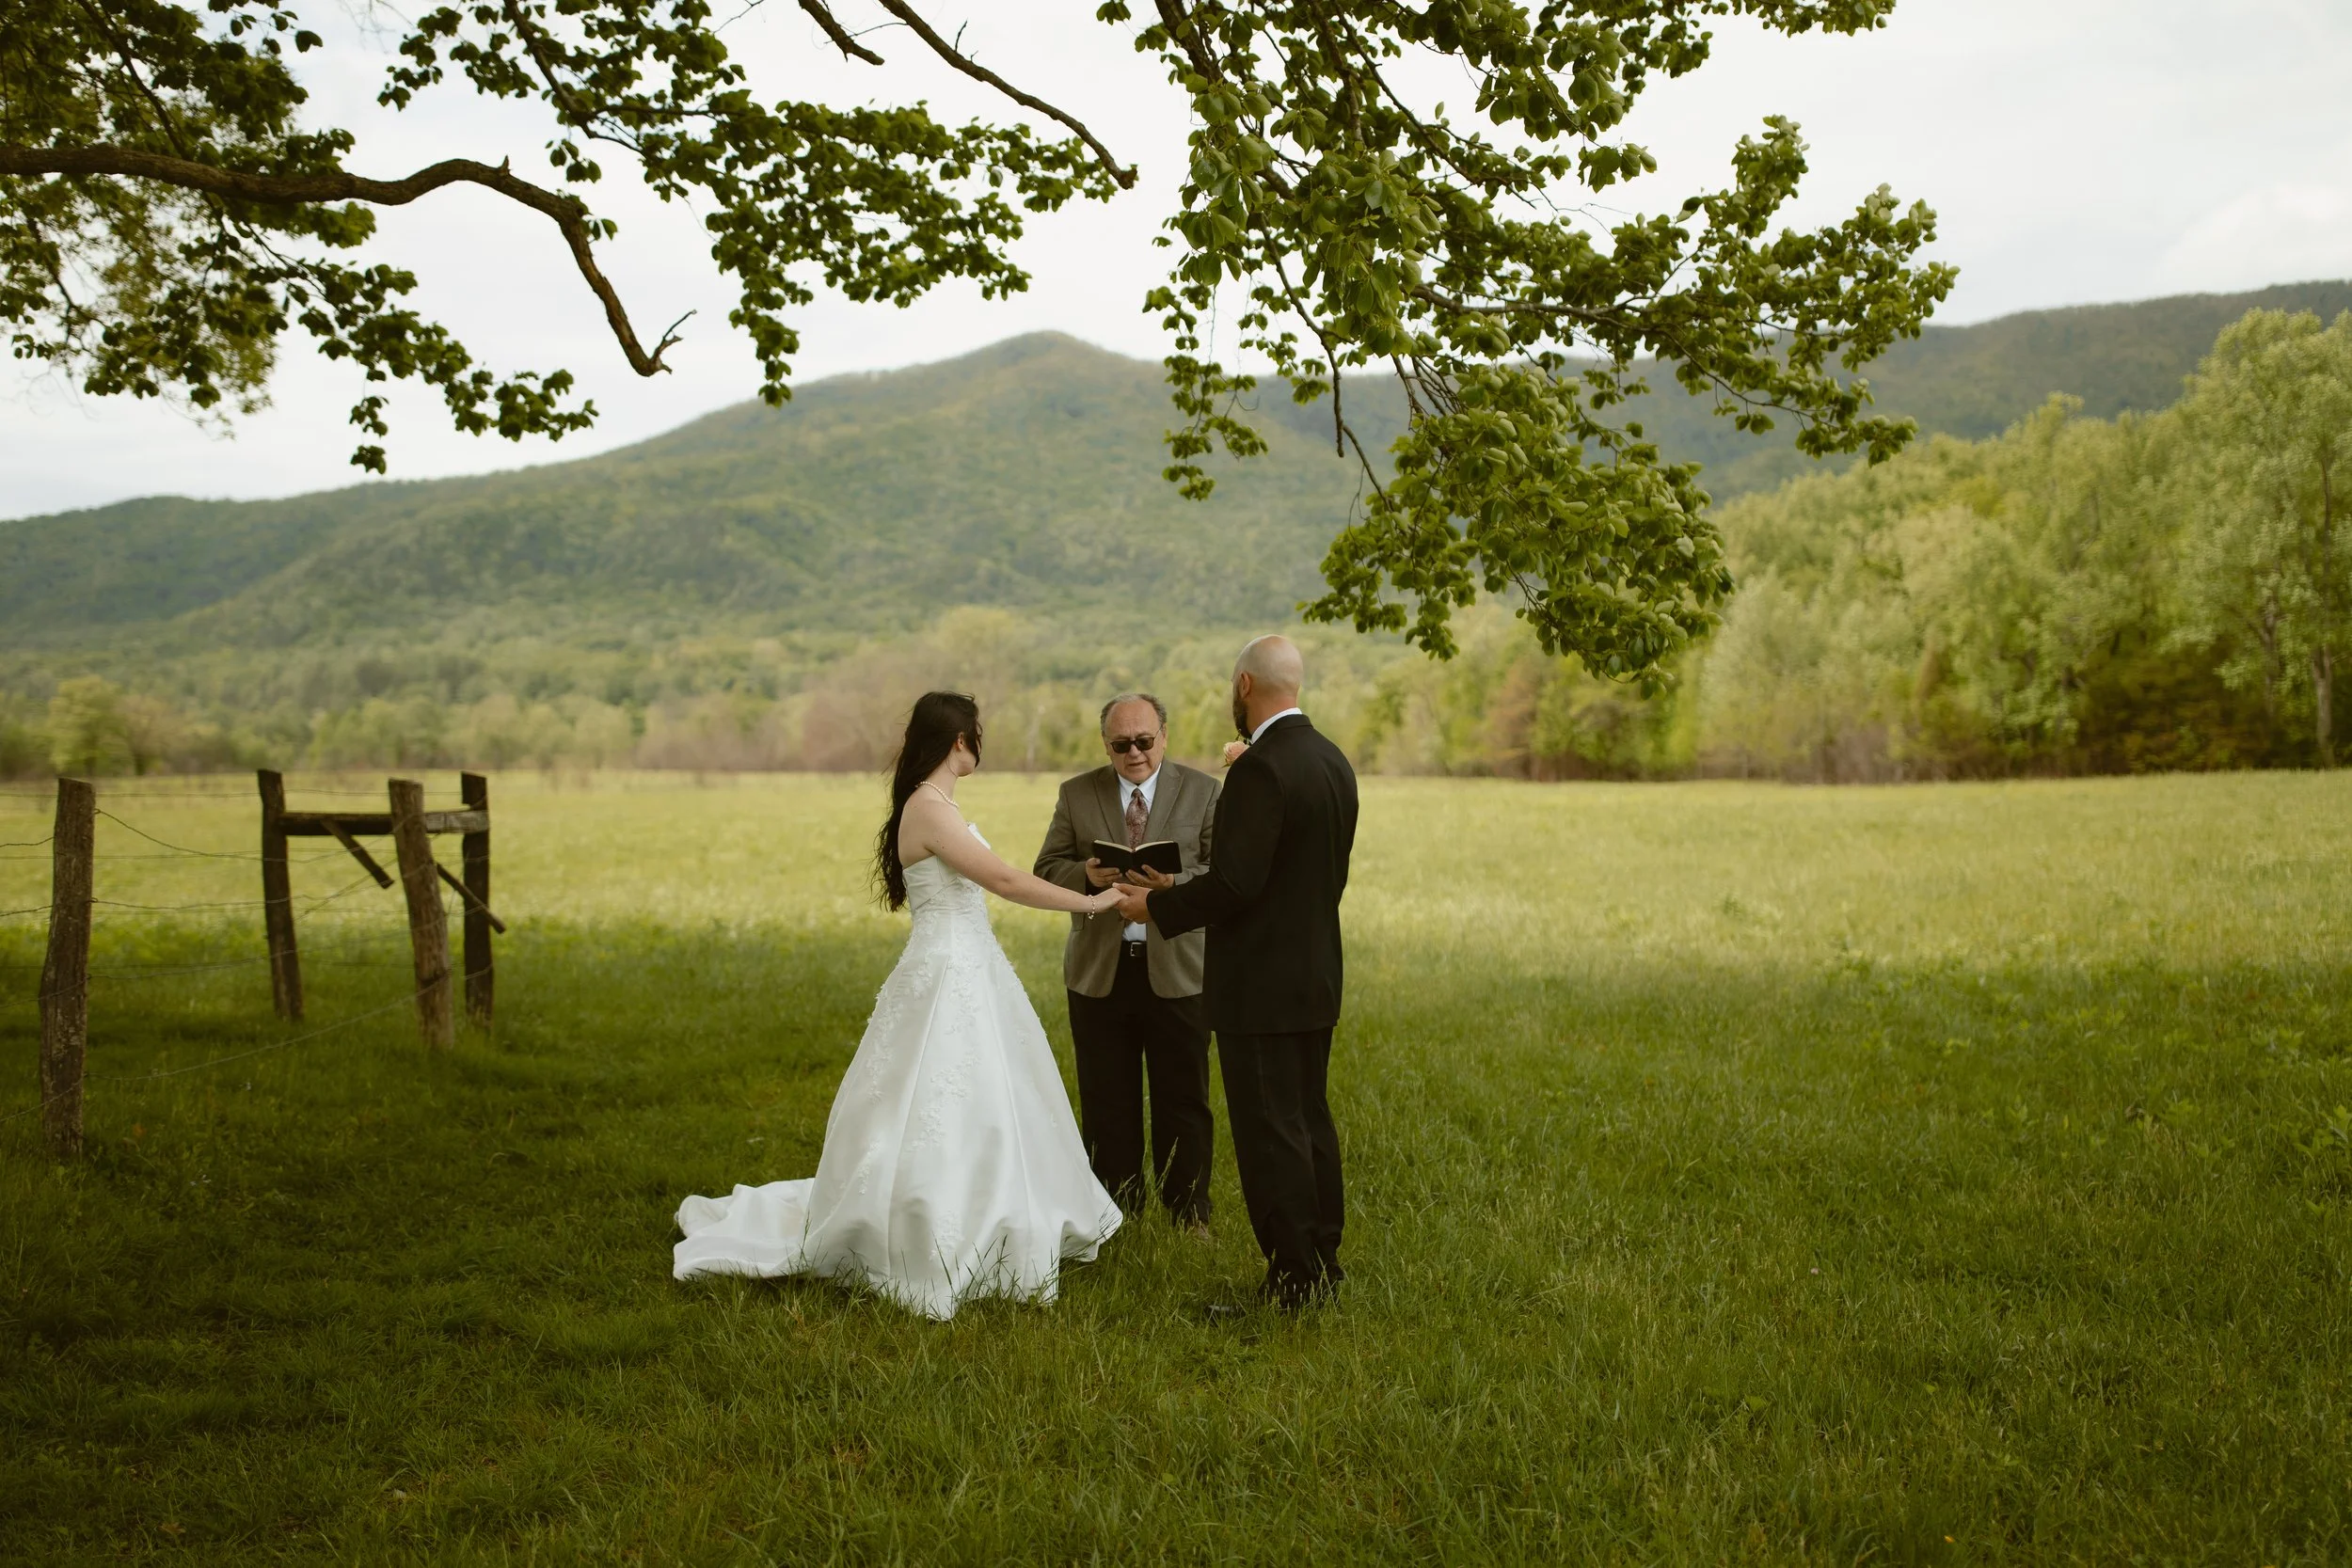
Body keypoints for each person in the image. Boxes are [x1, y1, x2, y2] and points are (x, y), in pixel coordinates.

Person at [673, 691, 1128, 1320]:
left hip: (971, 964)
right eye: (976, 733)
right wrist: (1091, 903)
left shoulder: (936, 803)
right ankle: (936, 1228)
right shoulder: (929, 808)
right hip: (947, 970)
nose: (979, 743)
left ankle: (995, 1210)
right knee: (942, 1095)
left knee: (988, 1098)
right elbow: (1003, 879)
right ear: (957, 741)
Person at [1117, 636, 1359, 1309]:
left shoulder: (1259, 768)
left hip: (1260, 985)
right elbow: (1293, 875)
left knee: (1269, 1133)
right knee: (1308, 1121)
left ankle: (1291, 1281)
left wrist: (1157, 902)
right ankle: (1321, 1265)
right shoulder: (1331, 759)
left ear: (1246, 684)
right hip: (1315, 975)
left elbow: (1234, 884)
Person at [1033, 692, 1220, 1230]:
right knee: (1106, 1097)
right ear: (1106, 745)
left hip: (1180, 969)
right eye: (1121, 745)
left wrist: (1172, 887)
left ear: (1164, 735)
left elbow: (1223, 874)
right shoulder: (1076, 793)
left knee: (1183, 1096)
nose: (1134, 753)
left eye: (1144, 741)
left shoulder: (1205, 791)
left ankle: (1189, 1214)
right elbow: (1046, 867)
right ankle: (1113, 1211)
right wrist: (1085, 877)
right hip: (1099, 972)